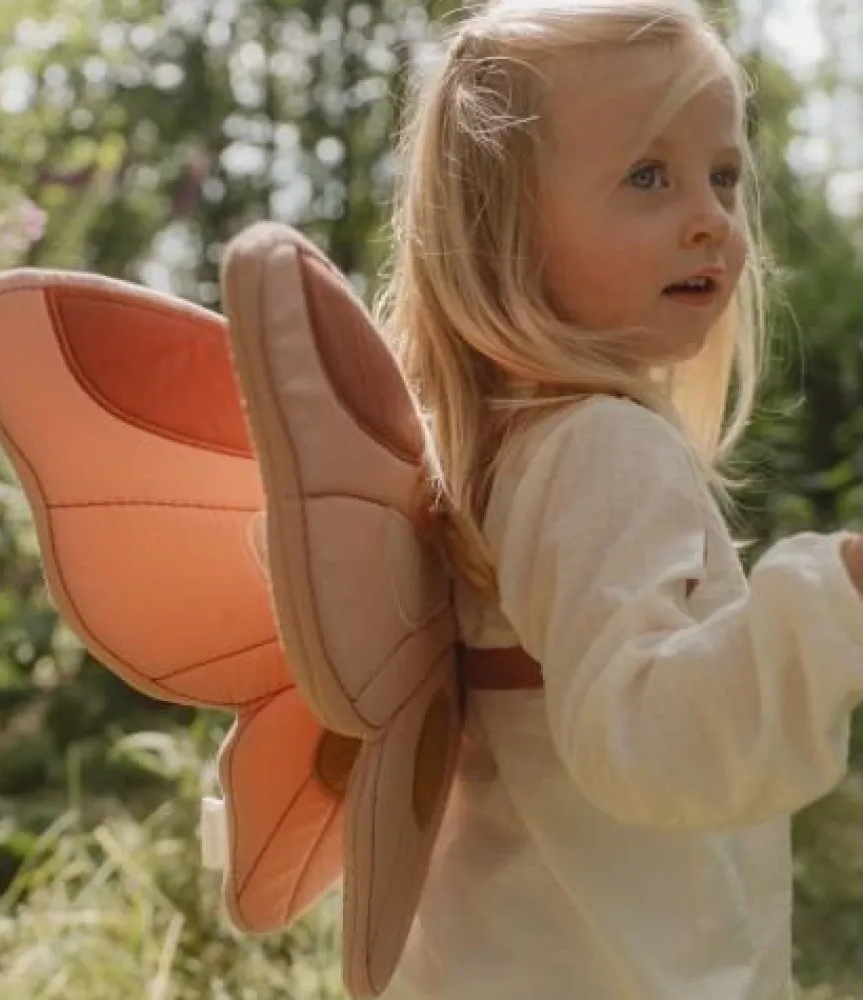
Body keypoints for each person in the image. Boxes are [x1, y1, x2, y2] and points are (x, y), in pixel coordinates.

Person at [365, 0, 863, 996]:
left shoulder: (522, 448)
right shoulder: (600, 448)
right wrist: (836, 593)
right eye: (648, 175)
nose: (709, 217)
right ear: (504, 233)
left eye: (722, 176)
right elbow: (638, 735)